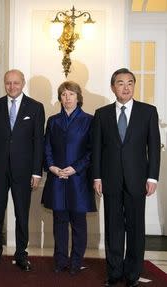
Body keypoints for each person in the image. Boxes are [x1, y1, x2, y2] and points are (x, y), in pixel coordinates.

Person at [93, 68, 160, 287]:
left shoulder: (148, 112)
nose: (126, 87)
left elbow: (154, 149)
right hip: (110, 179)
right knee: (113, 227)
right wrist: (97, 176)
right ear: (113, 87)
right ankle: (114, 272)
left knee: (135, 228)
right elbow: (97, 150)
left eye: (130, 83)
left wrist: (152, 178)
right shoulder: (102, 114)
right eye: (120, 83)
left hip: (137, 179)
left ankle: (132, 274)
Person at [0, 69, 45, 271]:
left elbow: (38, 142)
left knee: (21, 214)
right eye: (8, 82)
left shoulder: (35, 108)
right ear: (4, 83)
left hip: (24, 171)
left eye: (16, 83)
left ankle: (21, 255)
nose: (12, 86)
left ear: (23, 83)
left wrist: (37, 172)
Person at [41, 81, 96, 275]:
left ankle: (76, 262)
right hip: (57, 178)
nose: (67, 98)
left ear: (78, 97)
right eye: (64, 94)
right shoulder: (53, 120)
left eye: (71, 94)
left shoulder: (89, 120)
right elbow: (46, 147)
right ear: (60, 98)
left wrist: (75, 168)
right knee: (59, 222)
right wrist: (52, 167)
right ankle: (60, 261)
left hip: (78, 179)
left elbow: (92, 151)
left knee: (79, 224)